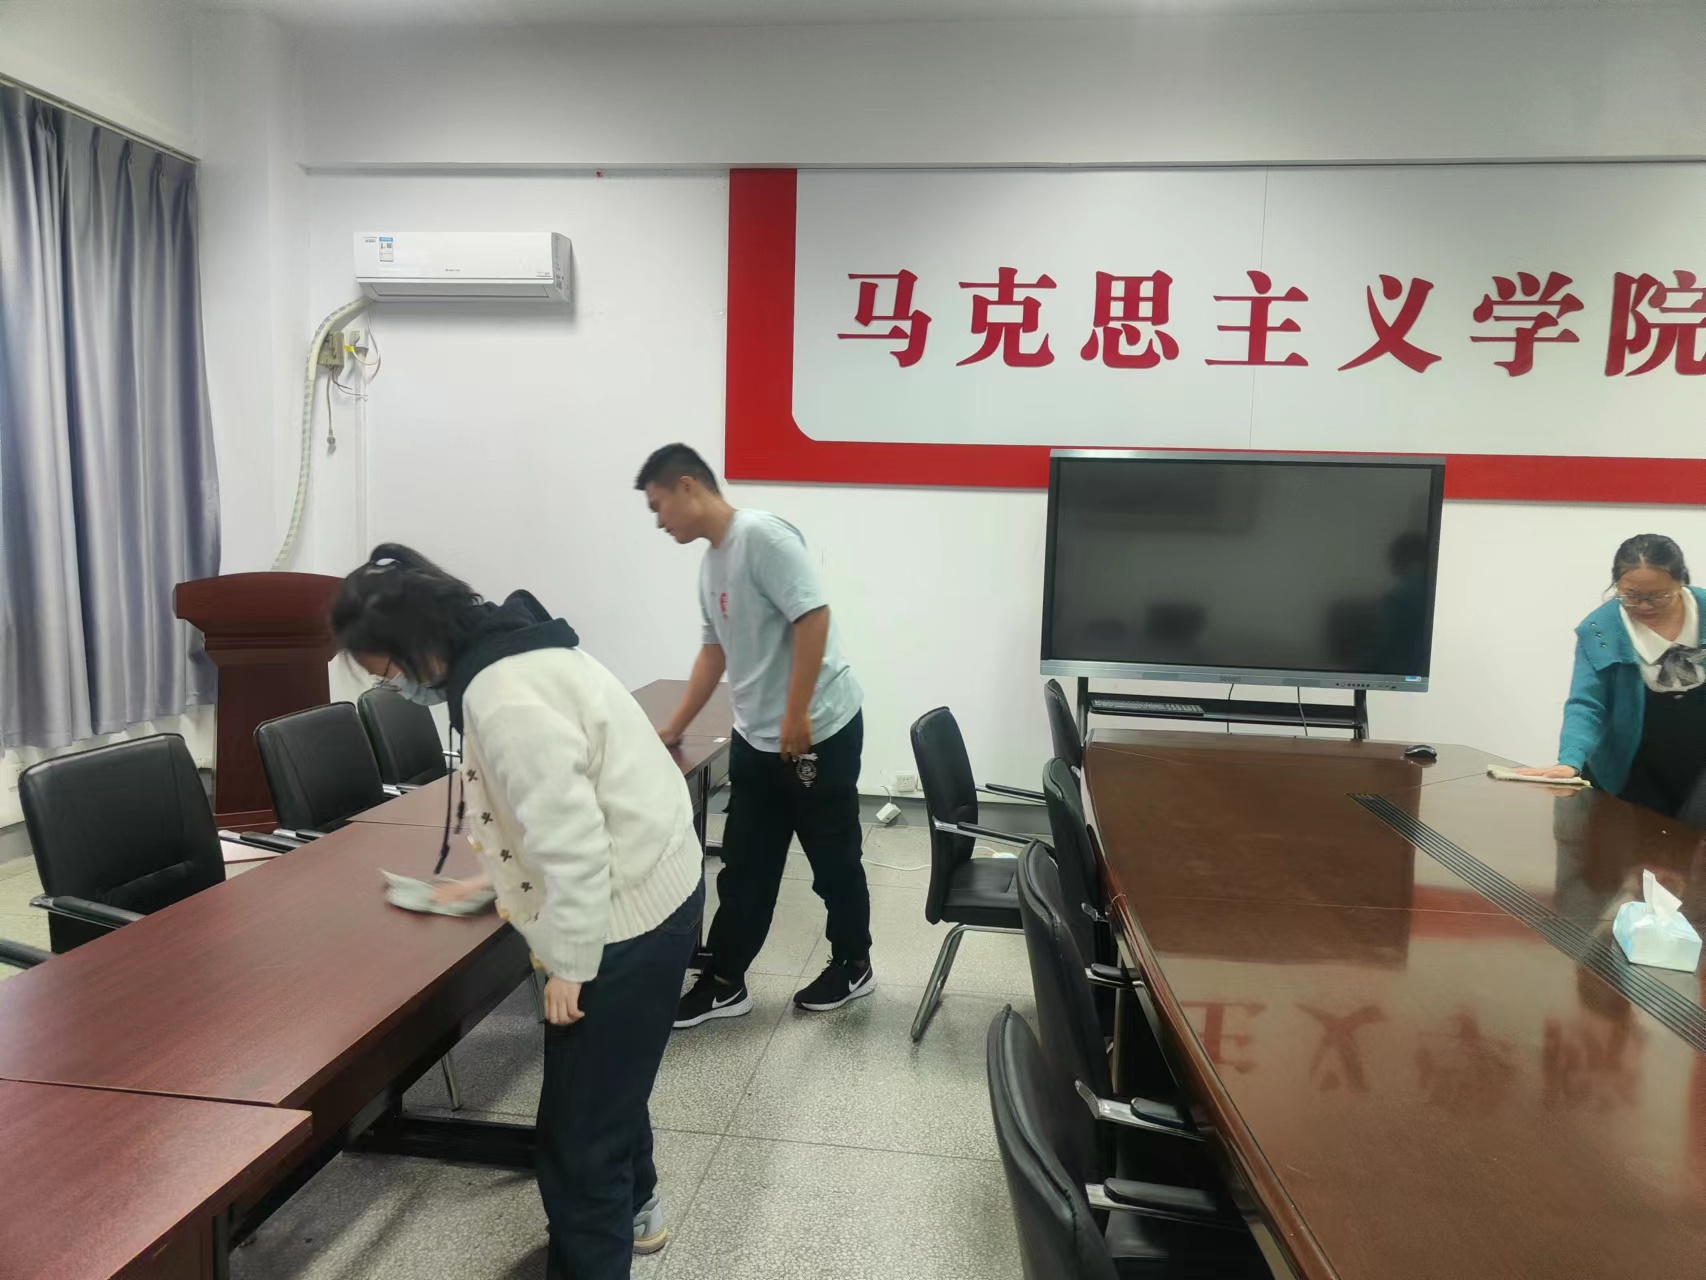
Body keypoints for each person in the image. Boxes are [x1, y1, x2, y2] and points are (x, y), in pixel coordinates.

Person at [330, 545, 703, 1280]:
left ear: (416, 645)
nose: (392, 687)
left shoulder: (503, 697)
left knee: (577, 1144)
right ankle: (639, 1211)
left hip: (624, 922)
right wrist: (490, 885)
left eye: (386, 671)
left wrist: (571, 965)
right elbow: (557, 810)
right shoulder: (516, 645)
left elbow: (574, 844)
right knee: (609, 1089)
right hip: (656, 888)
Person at [635, 444, 875, 1026]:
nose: (659, 522)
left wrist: (797, 714)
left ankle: (854, 964)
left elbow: (813, 617)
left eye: (658, 505)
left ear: (688, 486)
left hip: (818, 732)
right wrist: (674, 727)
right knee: (745, 868)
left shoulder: (762, 537)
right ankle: (725, 982)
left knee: (833, 862)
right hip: (756, 739)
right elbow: (712, 654)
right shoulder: (710, 566)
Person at [1517, 534, 1706, 817]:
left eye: (1658, 596)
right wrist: (1570, 760)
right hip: (1632, 765)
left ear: (1681, 581)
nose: (1645, 606)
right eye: (1631, 596)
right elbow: (1586, 704)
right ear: (1616, 584)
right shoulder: (1600, 630)